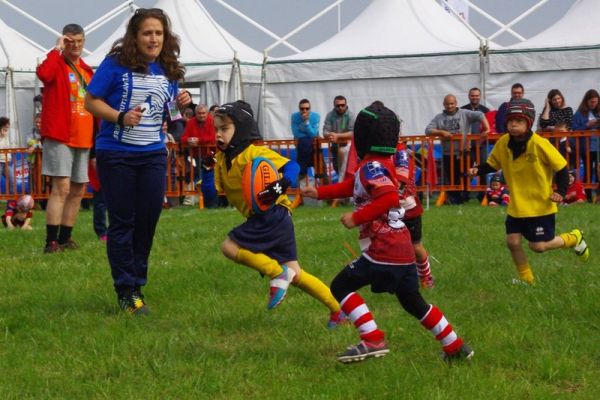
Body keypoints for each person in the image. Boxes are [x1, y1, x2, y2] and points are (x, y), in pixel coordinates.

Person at [302, 102, 473, 363]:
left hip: (384, 248)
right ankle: (455, 346)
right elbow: (352, 186)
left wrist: (356, 217)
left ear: (362, 137)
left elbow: (389, 197)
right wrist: (321, 192)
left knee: (340, 286)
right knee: (413, 302)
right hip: (402, 249)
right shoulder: (377, 163)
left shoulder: (371, 166)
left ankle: (372, 339)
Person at [84, 8, 192, 314]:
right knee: (123, 221)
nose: (153, 38)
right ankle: (125, 289)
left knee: (147, 220)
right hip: (116, 154)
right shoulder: (116, 64)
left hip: (153, 154)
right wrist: (119, 116)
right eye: (147, 32)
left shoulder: (167, 69)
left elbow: (169, 115)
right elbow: (90, 101)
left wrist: (184, 104)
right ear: (135, 36)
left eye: (158, 33)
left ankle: (137, 285)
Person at [213, 100, 346, 327]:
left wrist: (279, 185)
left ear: (242, 130)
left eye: (224, 129)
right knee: (297, 273)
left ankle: (277, 273)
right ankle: (338, 310)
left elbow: (292, 167)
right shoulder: (221, 160)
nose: (218, 134)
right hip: (277, 217)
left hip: (272, 213)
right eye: (216, 129)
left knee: (229, 247)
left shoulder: (254, 153)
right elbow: (222, 191)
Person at [469, 99, 590, 286]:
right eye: (511, 121)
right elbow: (493, 164)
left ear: (529, 122)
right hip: (517, 206)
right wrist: (478, 170)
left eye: (519, 121)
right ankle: (527, 280)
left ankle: (574, 238)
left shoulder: (540, 144)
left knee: (538, 246)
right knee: (512, 242)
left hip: (540, 206)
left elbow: (562, 168)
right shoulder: (503, 143)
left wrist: (561, 191)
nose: (514, 125)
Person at [36, 24, 95, 253]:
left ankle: (65, 238)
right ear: (64, 41)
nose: (75, 46)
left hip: (84, 135)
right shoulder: (56, 64)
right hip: (60, 134)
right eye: (70, 42)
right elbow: (44, 74)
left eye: (79, 41)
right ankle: (51, 241)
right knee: (61, 187)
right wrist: (56, 49)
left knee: (78, 189)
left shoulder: (88, 71)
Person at [425, 94, 490, 204]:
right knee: (452, 177)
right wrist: (442, 132)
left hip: (463, 151)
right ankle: (455, 199)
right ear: (444, 105)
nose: (449, 106)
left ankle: (465, 196)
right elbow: (428, 130)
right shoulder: (439, 117)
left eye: (452, 103)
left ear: (456, 104)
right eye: (447, 104)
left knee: (465, 175)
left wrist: (487, 129)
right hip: (447, 153)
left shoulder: (464, 113)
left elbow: (480, 114)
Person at [394, 140, 435, 288]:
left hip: (408, 208)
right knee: (388, 245)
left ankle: (426, 276)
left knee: (416, 246)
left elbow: (402, 179)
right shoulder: (377, 152)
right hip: (386, 208)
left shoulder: (401, 154)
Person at [180, 104, 217, 208]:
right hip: (196, 156)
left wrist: (198, 140)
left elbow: (213, 138)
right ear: (196, 114)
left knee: (209, 178)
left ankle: (211, 203)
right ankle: (200, 202)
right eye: (199, 114)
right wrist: (189, 140)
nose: (202, 116)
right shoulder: (191, 122)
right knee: (196, 179)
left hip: (210, 155)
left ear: (207, 113)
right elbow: (183, 138)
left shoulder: (212, 121)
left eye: (203, 113)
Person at [572, 89, 600, 202]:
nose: (594, 104)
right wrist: (587, 124)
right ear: (586, 101)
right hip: (586, 148)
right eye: (591, 102)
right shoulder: (579, 113)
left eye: (596, 102)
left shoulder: (598, 112)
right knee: (588, 172)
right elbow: (574, 129)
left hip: (598, 147)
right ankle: (588, 197)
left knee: (599, 171)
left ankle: (598, 198)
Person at [323, 95, 354, 181]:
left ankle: (346, 187)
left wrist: (337, 136)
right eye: (338, 105)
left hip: (349, 146)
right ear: (334, 106)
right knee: (337, 167)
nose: (340, 107)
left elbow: (353, 133)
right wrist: (331, 135)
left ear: (346, 105)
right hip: (335, 145)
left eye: (342, 105)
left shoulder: (351, 115)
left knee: (347, 169)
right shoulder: (330, 115)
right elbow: (325, 132)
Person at [290, 99, 320, 180]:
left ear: (310, 108)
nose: (304, 111)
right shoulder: (294, 116)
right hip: (303, 147)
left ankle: (322, 189)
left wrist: (306, 123)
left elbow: (314, 134)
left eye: (307, 108)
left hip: (314, 147)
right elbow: (296, 133)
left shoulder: (316, 116)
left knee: (321, 170)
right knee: (305, 140)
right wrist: (308, 129)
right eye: (302, 109)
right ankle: (302, 185)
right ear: (299, 109)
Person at [0, 117, 13, 194]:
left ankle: (11, 203)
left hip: (7, 162)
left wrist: (4, 136)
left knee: (12, 181)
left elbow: (7, 147)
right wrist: (2, 136)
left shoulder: (6, 134)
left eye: (8, 126)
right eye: (6, 125)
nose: (7, 127)